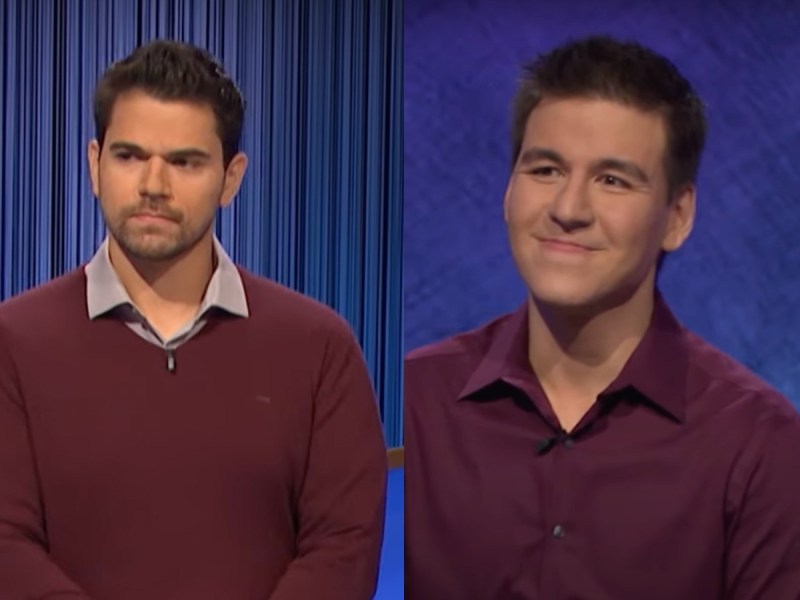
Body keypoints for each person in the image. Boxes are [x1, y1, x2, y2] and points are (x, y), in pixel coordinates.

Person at [405, 36, 800, 599]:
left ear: (677, 216)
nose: (568, 210)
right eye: (546, 170)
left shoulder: (757, 444)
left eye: (612, 180)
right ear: (509, 190)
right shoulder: (409, 405)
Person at [0, 40, 387, 600]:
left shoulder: (318, 346)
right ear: (94, 165)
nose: (153, 185)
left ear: (231, 178)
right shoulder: (13, 343)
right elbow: (6, 547)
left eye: (184, 162)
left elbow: (344, 545)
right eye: (129, 156)